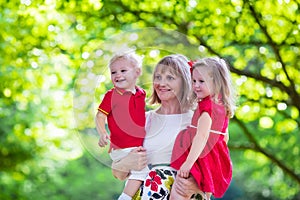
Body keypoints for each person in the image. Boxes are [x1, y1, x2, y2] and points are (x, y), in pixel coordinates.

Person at [109, 54, 202, 200]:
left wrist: (197, 186)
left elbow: (215, 166)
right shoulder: (144, 120)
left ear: (185, 82)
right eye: (158, 77)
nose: (161, 83)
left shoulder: (197, 121)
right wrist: (127, 162)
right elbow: (118, 173)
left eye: (170, 78)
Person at [170, 57, 236, 200]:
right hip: (212, 157)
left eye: (201, 81)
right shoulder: (222, 106)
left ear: (216, 83)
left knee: (179, 192)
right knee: (201, 193)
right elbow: (225, 137)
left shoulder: (206, 108)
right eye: (194, 81)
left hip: (199, 157)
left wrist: (188, 163)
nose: (196, 86)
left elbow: (201, 136)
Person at [95, 52, 149, 200]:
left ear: (137, 72)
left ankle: (130, 195)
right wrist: (102, 133)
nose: (118, 75)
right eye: (113, 72)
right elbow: (100, 115)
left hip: (135, 146)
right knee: (142, 171)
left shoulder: (141, 93)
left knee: (136, 175)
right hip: (122, 147)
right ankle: (124, 198)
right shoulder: (112, 95)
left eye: (123, 70)